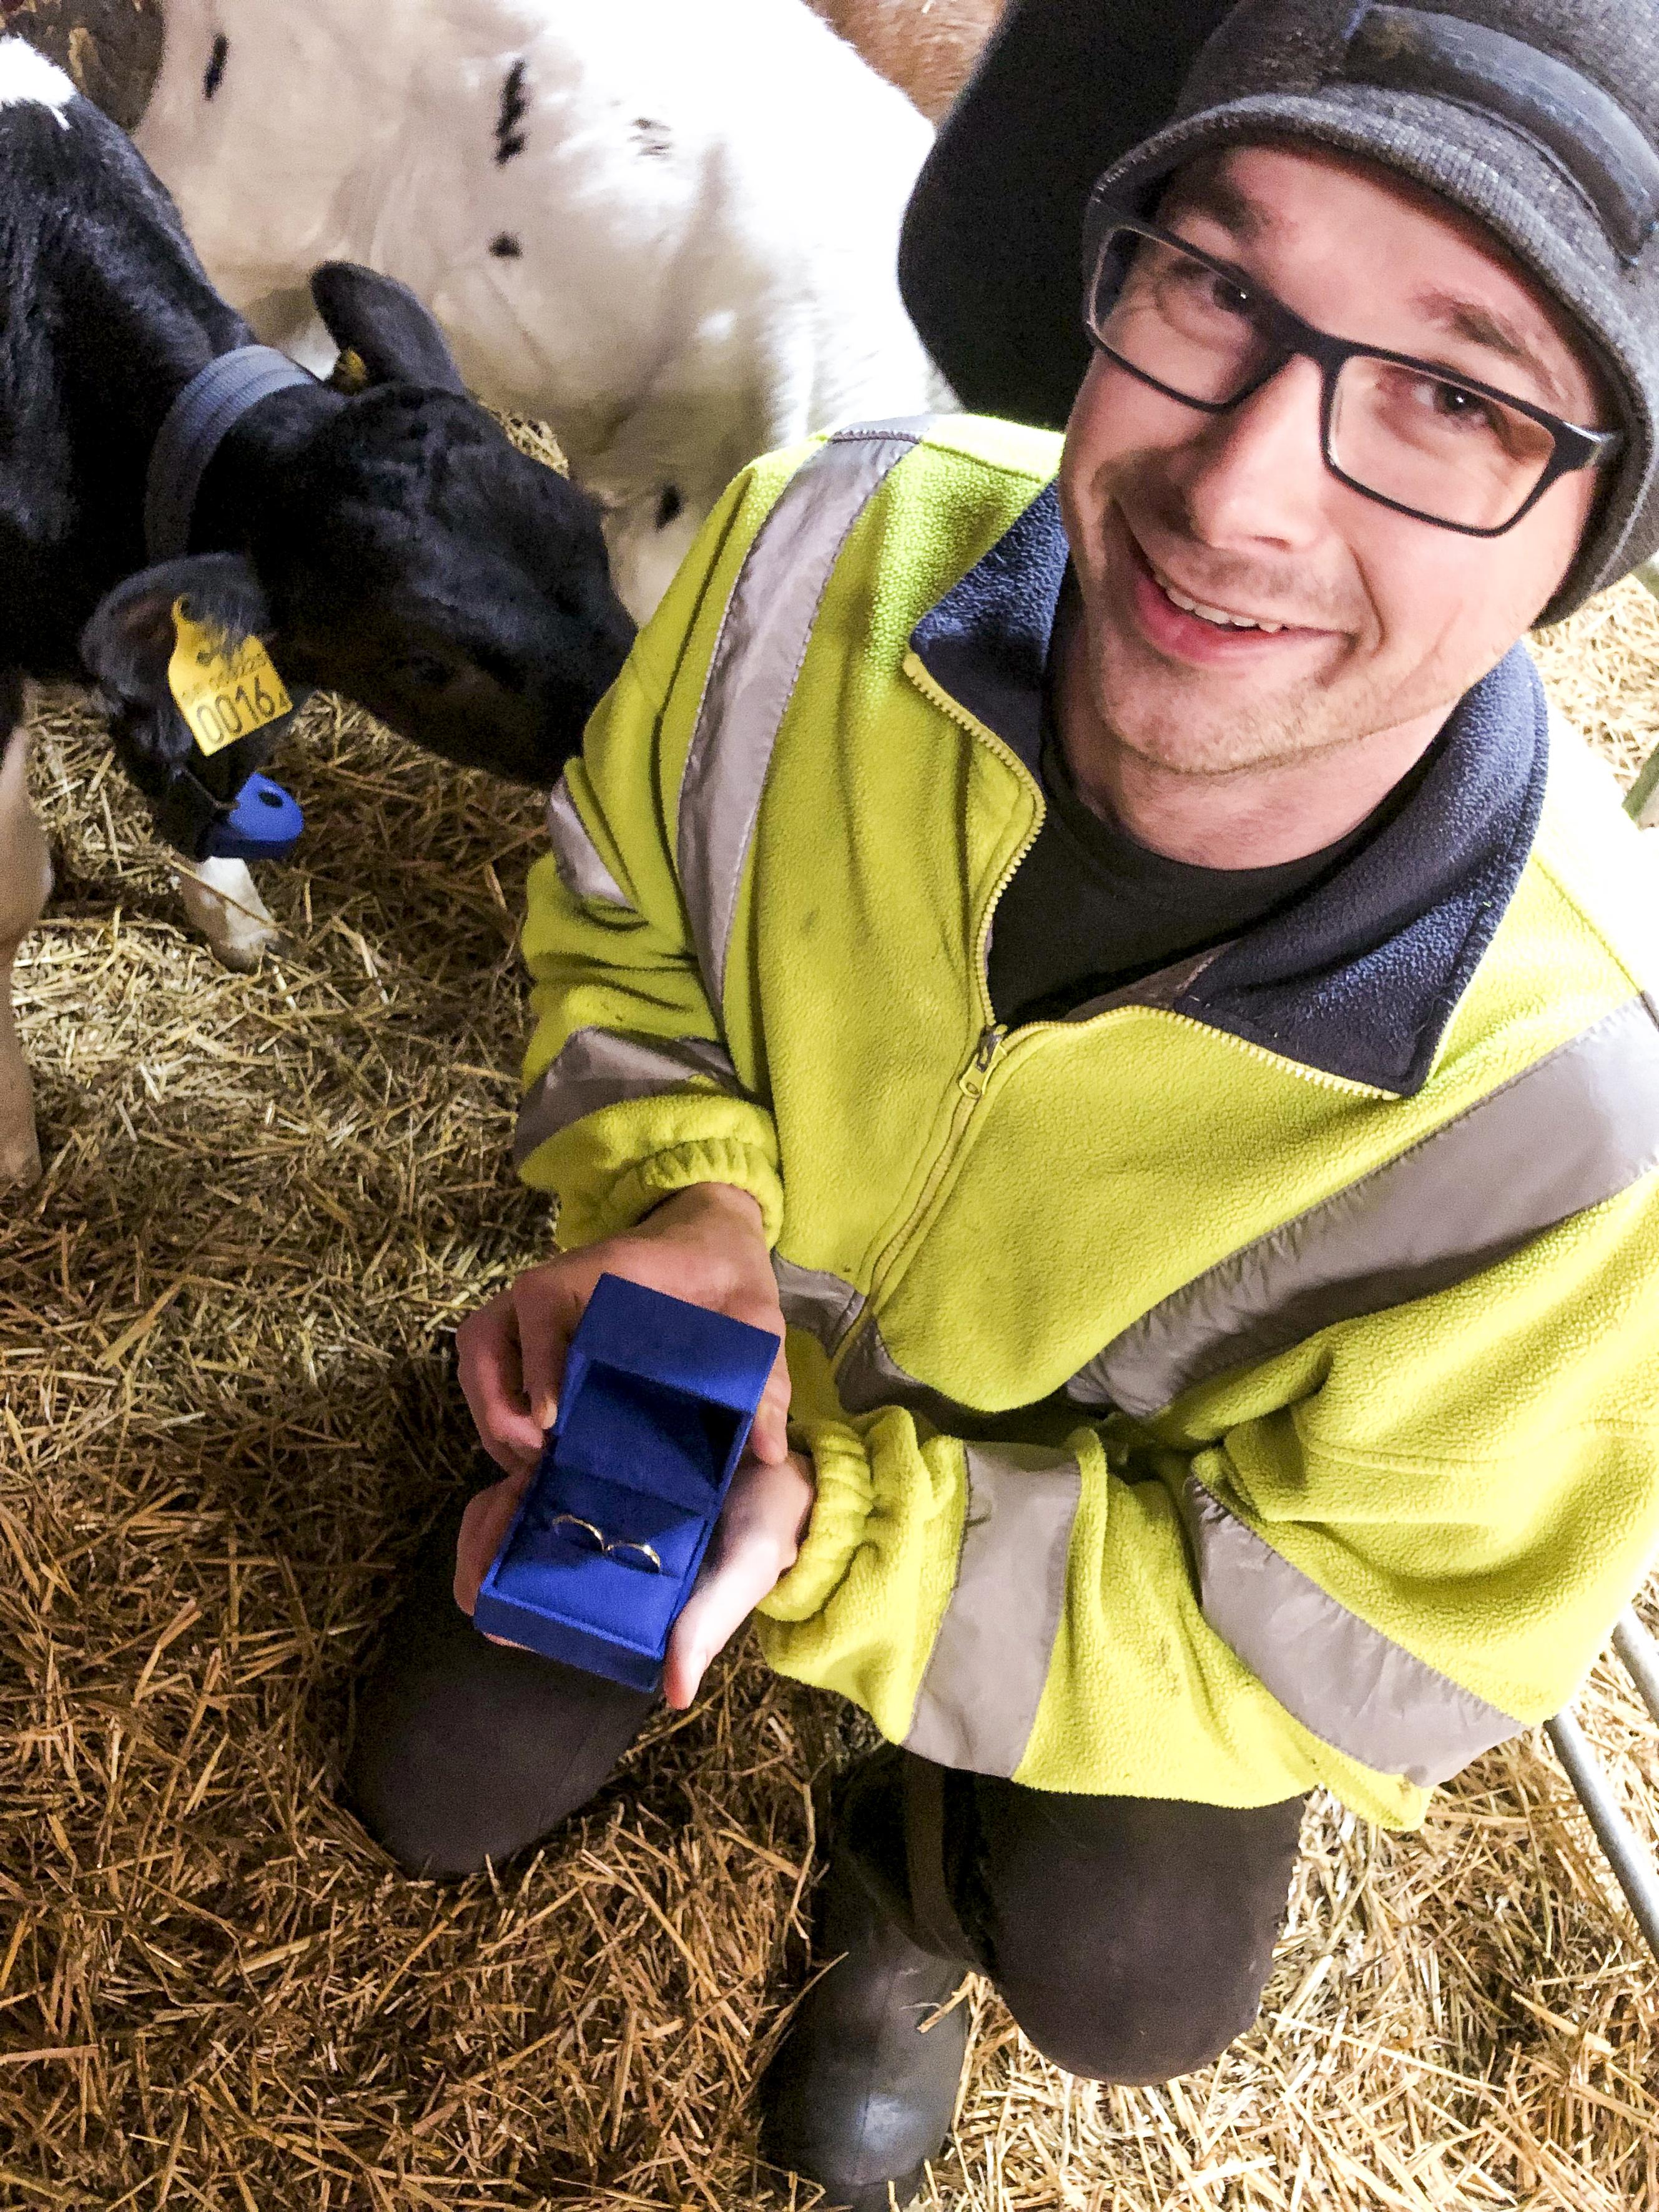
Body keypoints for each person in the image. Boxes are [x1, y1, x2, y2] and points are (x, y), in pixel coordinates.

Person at [345, 4, 1659, 2206]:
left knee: (1135, 1991)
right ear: (1112, 269)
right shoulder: (805, 562)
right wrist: (680, 1197)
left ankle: (910, 1902)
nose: (1231, 493)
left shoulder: (1587, 1107)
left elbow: (1374, 1636)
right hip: (704, 1380)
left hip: (1075, 1539)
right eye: (1219, 289)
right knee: (423, 1797)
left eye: (1450, 394)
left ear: (1593, 523)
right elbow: (619, 905)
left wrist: (844, 1551)